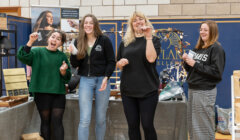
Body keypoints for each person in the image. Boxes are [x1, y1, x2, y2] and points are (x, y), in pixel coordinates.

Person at [17, 30, 71, 140]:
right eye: (53, 37)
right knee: (45, 122)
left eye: (58, 39)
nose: (54, 40)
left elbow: (68, 77)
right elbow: (23, 56)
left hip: (58, 93)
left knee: (57, 122)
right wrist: (30, 41)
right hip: (41, 93)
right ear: (48, 38)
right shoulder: (37, 52)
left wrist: (63, 71)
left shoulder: (62, 57)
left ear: (61, 43)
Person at [70, 14, 115, 140]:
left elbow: (111, 61)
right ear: (82, 25)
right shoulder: (78, 41)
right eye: (85, 23)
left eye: (90, 23)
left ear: (95, 25)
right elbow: (75, 65)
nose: (88, 25)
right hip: (85, 81)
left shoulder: (104, 40)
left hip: (102, 80)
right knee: (84, 119)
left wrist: (106, 77)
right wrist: (74, 53)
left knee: (100, 119)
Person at [116, 11, 161, 140]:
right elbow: (118, 63)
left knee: (147, 125)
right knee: (132, 126)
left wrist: (148, 37)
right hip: (128, 91)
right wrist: (120, 63)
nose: (138, 22)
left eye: (141, 19)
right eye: (134, 20)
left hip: (148, 90)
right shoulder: (125, 42)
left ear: (146, 22)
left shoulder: (154, 40)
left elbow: (151, 59)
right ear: (131, 25)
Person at [182, 20, 225, 140]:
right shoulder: (197, 49)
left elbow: (216, 73)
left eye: (205, 30)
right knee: (193, 125)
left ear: (212, 31)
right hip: (192, 90)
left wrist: (195, 64)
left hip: (205, 92)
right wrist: (185, 61)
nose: (202, 32)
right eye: (201, 29)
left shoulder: (216, 49)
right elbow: (190, 69)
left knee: (203, 126)